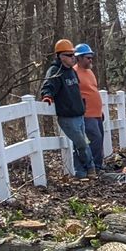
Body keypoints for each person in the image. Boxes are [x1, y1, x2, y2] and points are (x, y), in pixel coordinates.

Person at [40, 38, 94, 178]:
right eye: (69, 55)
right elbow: (48, 86)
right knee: (82, 144)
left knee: (80, 145)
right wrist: (47, 96)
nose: (73, 58)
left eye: (73, 55)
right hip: (67, 117)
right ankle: (91, 169)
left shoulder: (71, 71)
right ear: (60, 56)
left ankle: (81, 173)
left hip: (79, 114)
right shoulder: (55, 71)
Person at [72, 43, 109, 169]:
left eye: (91, 57)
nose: (90, 60)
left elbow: (93, 90)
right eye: (88, 57)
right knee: (96, 139)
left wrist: (100, 111)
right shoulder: (74, 72)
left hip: (97, 113)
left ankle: (98, 164)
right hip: (86, 114)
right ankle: (92, 166)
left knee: (100, 139)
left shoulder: (90, 72)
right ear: (79, 58)